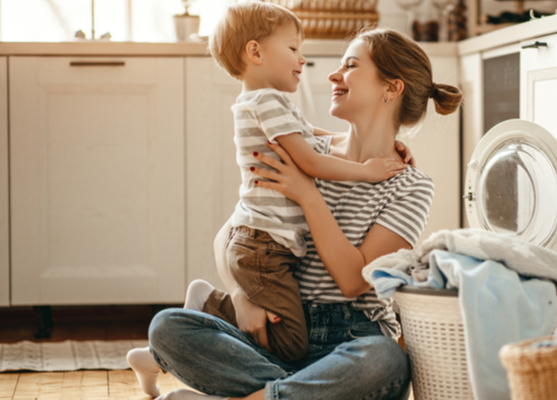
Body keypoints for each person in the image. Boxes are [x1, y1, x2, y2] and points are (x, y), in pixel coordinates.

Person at [147, 26, 462, 400]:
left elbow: (353, 280)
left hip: (350, 339)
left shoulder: (410, 184)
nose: (333, 74)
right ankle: (296, 392)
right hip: (279, 329)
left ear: (391, 89)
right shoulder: (304, 151)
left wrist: (308, 196)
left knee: (384, 361)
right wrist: (241, 296)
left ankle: (262, 394)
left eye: (351, 66)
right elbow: (231, 233)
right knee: (167, 327)